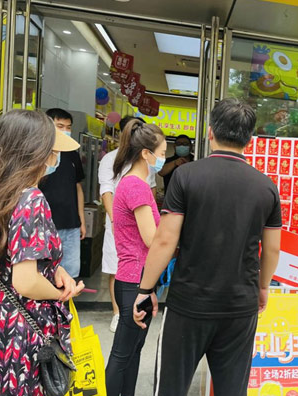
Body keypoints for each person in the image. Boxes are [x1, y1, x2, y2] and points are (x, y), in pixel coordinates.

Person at [133, 98, 282, 396]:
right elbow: (273, 248)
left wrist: (145, 289)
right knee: (231, 388)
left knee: (171, 387)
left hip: (189, 305)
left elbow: (165, 239)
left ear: (210, 132)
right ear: (248, 140)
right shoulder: (266, 187)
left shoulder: (186, 176)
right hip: (240, 306)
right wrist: (262, 286)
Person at [0, 110, 85, 396]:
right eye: (50, 149)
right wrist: (61, 295)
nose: (53, 157)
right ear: (35, 151)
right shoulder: (32, 199)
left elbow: (6, 256)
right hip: (22, 333)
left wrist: (53, 268)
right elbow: (26, 281)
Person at [105, 119, 166, 396]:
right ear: (146, 153)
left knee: (132, 352)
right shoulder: (136, 186)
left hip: (136, 278)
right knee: (122, 355)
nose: (163, 159)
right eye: (162, 153)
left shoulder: (134, 182)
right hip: (133, 280)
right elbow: (151, 239)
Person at [98, 116, 156, 333]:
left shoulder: (144, 161)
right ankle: (117, 312)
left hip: (142, 221)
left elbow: (149, 190)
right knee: (117, 268)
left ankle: (136, 308)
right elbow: (106, 191)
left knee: (140, 266)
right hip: (118, 223)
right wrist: (116, 220)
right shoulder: (110, 159)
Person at [39, 108, 86, 278]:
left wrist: (81, 220)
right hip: (45, 224)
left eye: (68, 127)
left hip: (71, 224)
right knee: (45, 272)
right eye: (60, 126)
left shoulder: (72, 154)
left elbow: (78, 187)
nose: (65, 130)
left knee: (71, 273)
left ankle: (64, 305)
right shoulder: (38, 153)